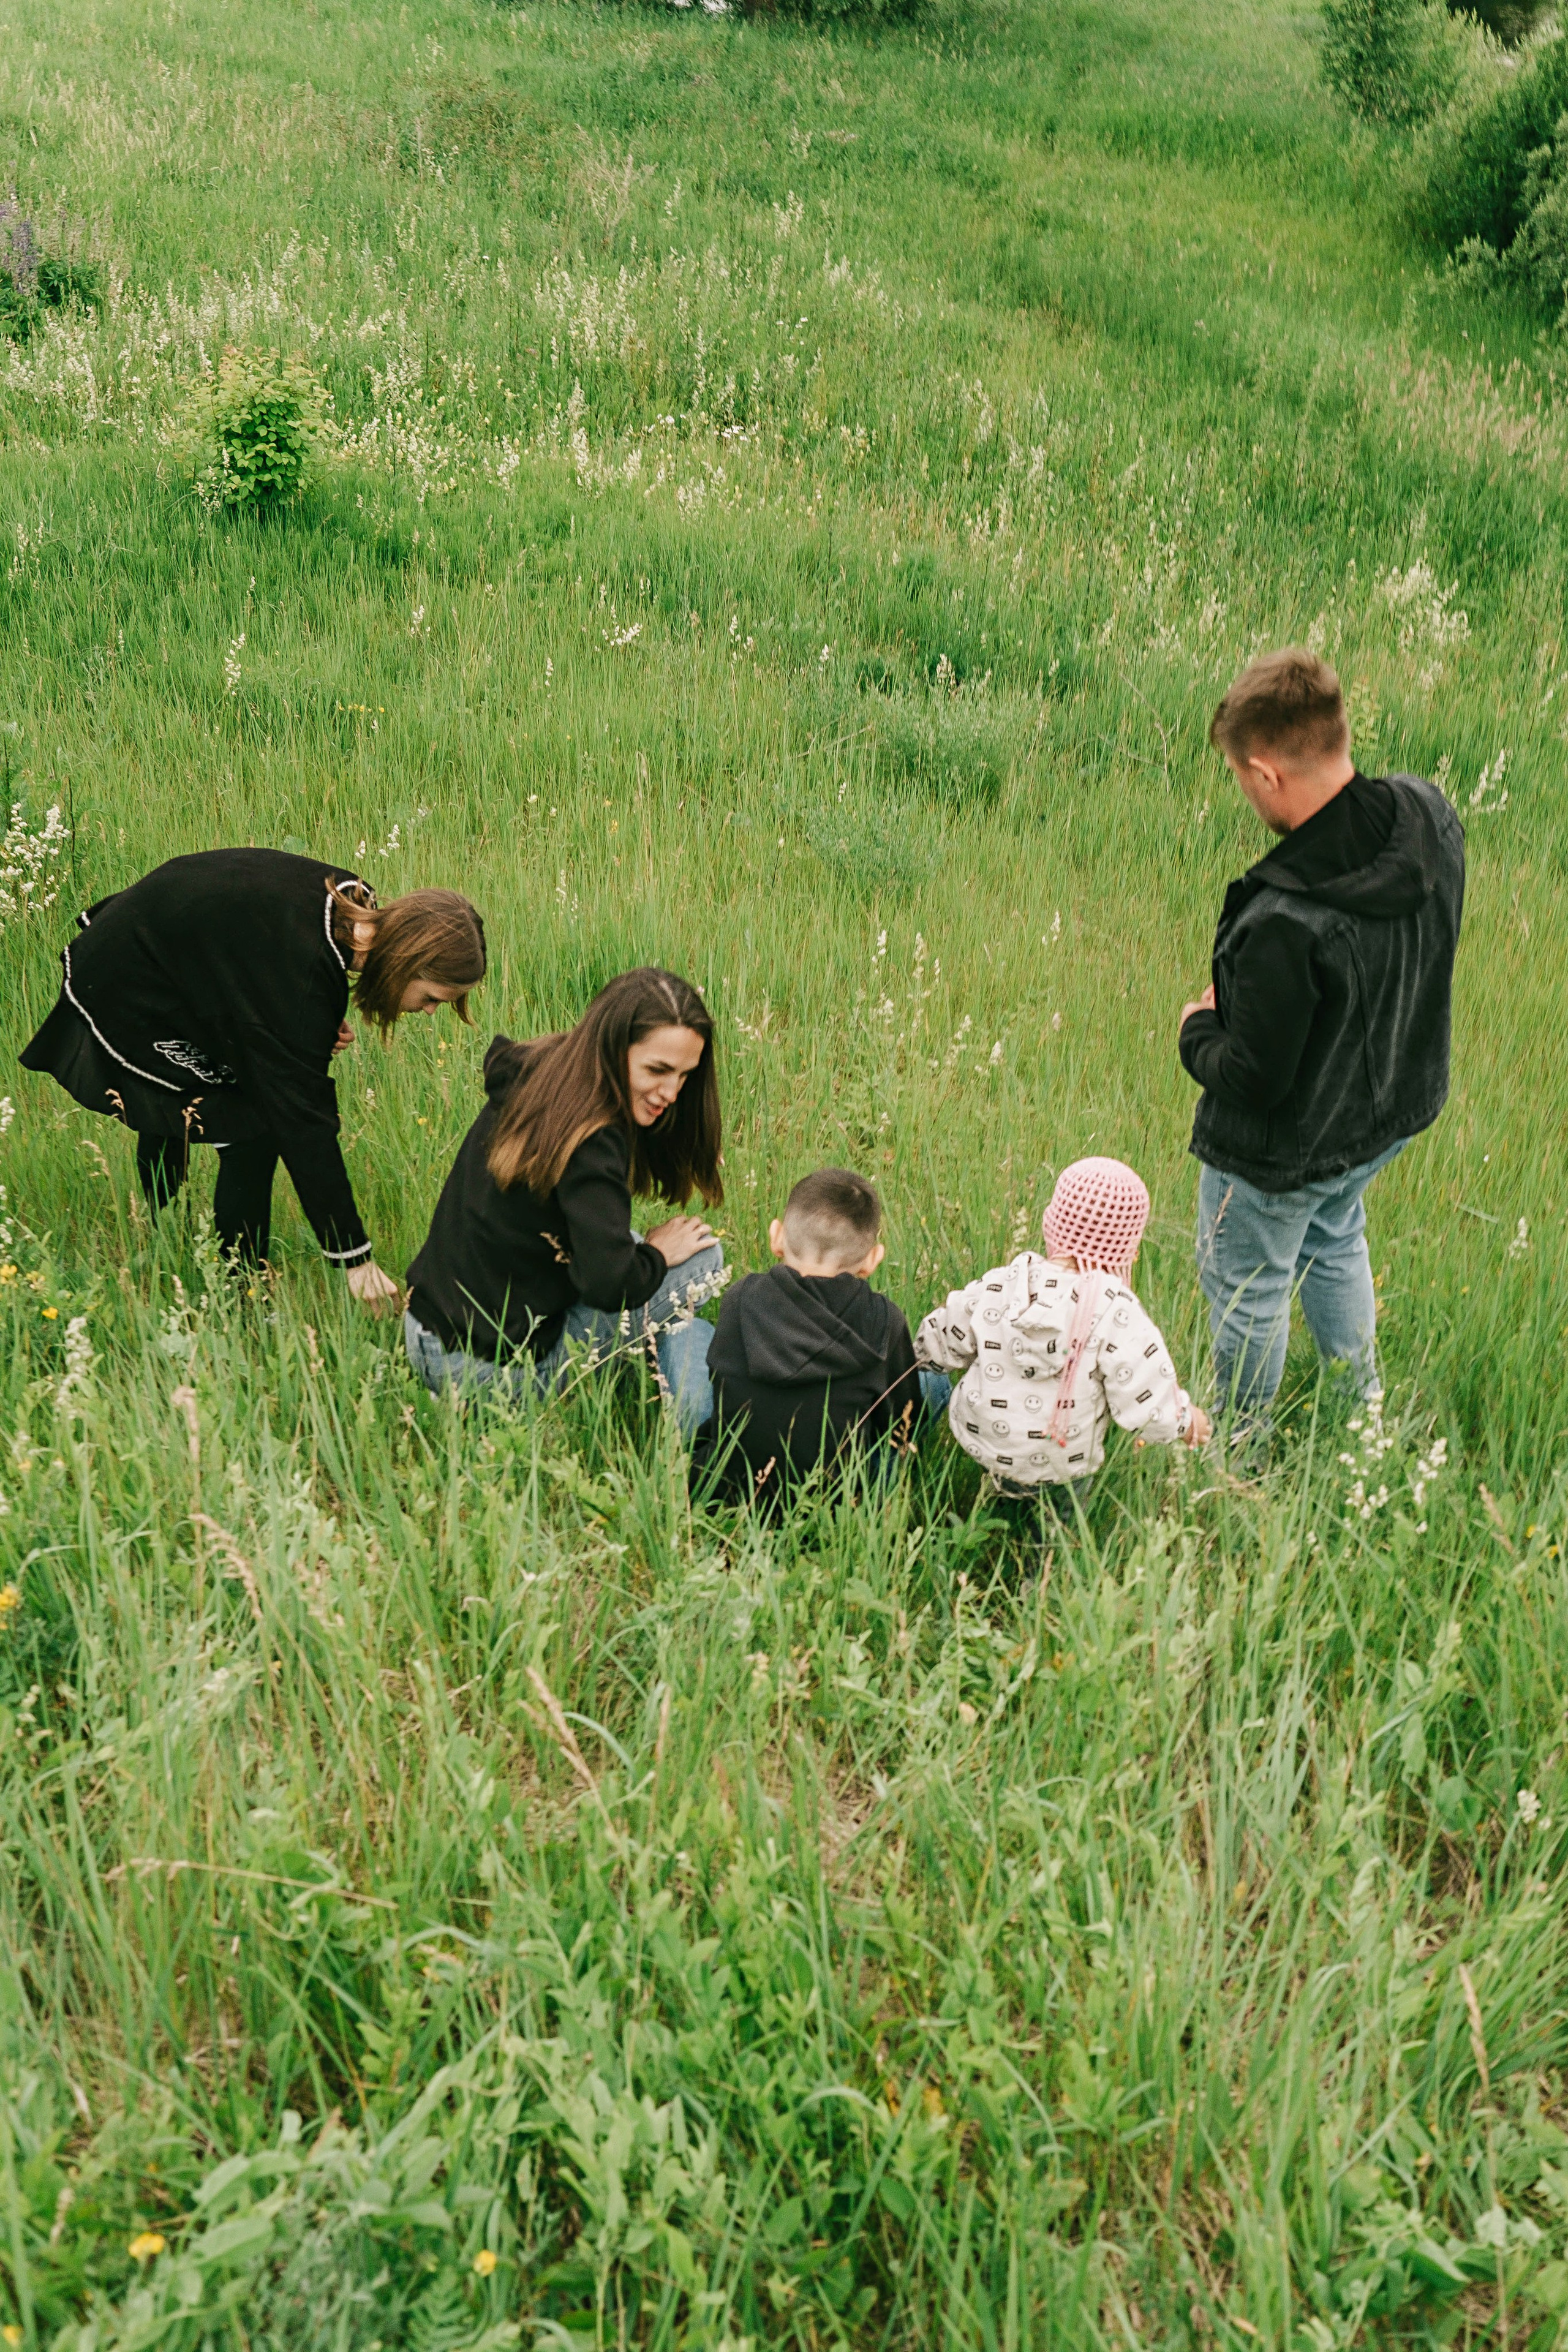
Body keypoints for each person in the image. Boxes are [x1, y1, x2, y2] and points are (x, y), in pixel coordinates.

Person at [1178, 649, 1465, 1424]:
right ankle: (1358, 1408)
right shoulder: (1426, 815)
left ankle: (1240, 1449)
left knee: (1250, 1289)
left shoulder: (1281, 920)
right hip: (1386, 1114)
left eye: (1240, 774)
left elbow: (1254, 1080)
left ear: (1266, 772)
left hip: (1280, 1154)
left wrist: (1196, 1031)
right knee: (1334, 1233)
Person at [19, 848, 485, 1307]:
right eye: (432, 998)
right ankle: (237, 1289)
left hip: (165, 946)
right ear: (407, 960)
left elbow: (257, 968)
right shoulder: (304, 973)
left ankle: (164, 1222)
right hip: (131, 974)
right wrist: (355, 1259)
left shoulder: (355, 903)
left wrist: (312, 1025)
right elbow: (305, 1126)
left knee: (219, 1093)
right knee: (254, 1128)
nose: (429, 1012)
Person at [403, 968, 725, 1426]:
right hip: (488, 1373)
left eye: (685, 1076)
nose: (672, 1093)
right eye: (658, 1070)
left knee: (633, 1244)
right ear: (616, 1048)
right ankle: (688, 1405)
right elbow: (608, 1284)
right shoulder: (595, 1139)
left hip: (426, 1329)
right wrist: (654, 1256)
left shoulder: (545, 1067)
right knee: (704, 1259)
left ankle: (668, 1342)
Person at [915, 1158, 1210, 1513]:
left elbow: (941, 1338)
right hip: (1062, 1462)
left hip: (988, 1442)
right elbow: (1147, 1398)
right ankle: (1050, 1562)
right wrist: (1185, 1419)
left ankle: (990, 1517)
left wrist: (917, 1357)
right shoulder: (1116, 1310)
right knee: (1059, 1523)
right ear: (1130, 1252)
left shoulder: (1002, 1283)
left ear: (1050, 1226)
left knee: (993, 1503)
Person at [688, 1167, 944, 1511]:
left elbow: (721, 1382)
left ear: (776, 1237)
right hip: (832, 1506)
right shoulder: (885, 1322)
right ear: (872, 1259)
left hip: (726, 1492)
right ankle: (879, 1498)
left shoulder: (740, 1298)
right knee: (934, 1384)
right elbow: (900, 1425)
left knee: (690, 1332)